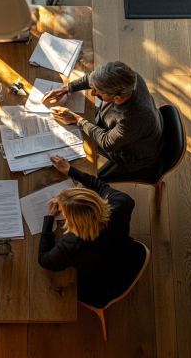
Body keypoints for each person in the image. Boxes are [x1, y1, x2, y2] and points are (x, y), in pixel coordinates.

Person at [38, 154, 140, 309]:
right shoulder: (121, 202)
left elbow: (44, 260)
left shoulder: (71, 246)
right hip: (131, 256)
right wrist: (71, 170)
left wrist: (49, 218)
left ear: (71, 220)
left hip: (101, 287)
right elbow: (100, 186)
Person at [41, 61, 164, 181]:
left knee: (78, 139)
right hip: (133, 131)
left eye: (98, 91)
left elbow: (107, 143)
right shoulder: (129, 78)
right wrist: (67, 88)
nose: (92, 93)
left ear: (117, 97)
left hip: (133, 156)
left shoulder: (131, 118)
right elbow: (92, 79)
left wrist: (77, 119)